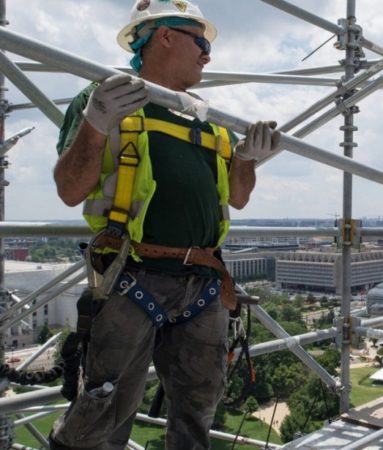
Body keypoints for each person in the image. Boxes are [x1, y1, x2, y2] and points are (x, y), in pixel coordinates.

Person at [50, 1, 279, 448]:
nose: (208, 55)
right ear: (165, 36)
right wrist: (96, 125)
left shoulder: (209, 122)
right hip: (130, 274)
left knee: (198, 404)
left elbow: (238, 196)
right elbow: (69, 189)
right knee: (104, 408)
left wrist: (247, 158)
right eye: (201, 41)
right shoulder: (104, 102)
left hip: (202, 280)